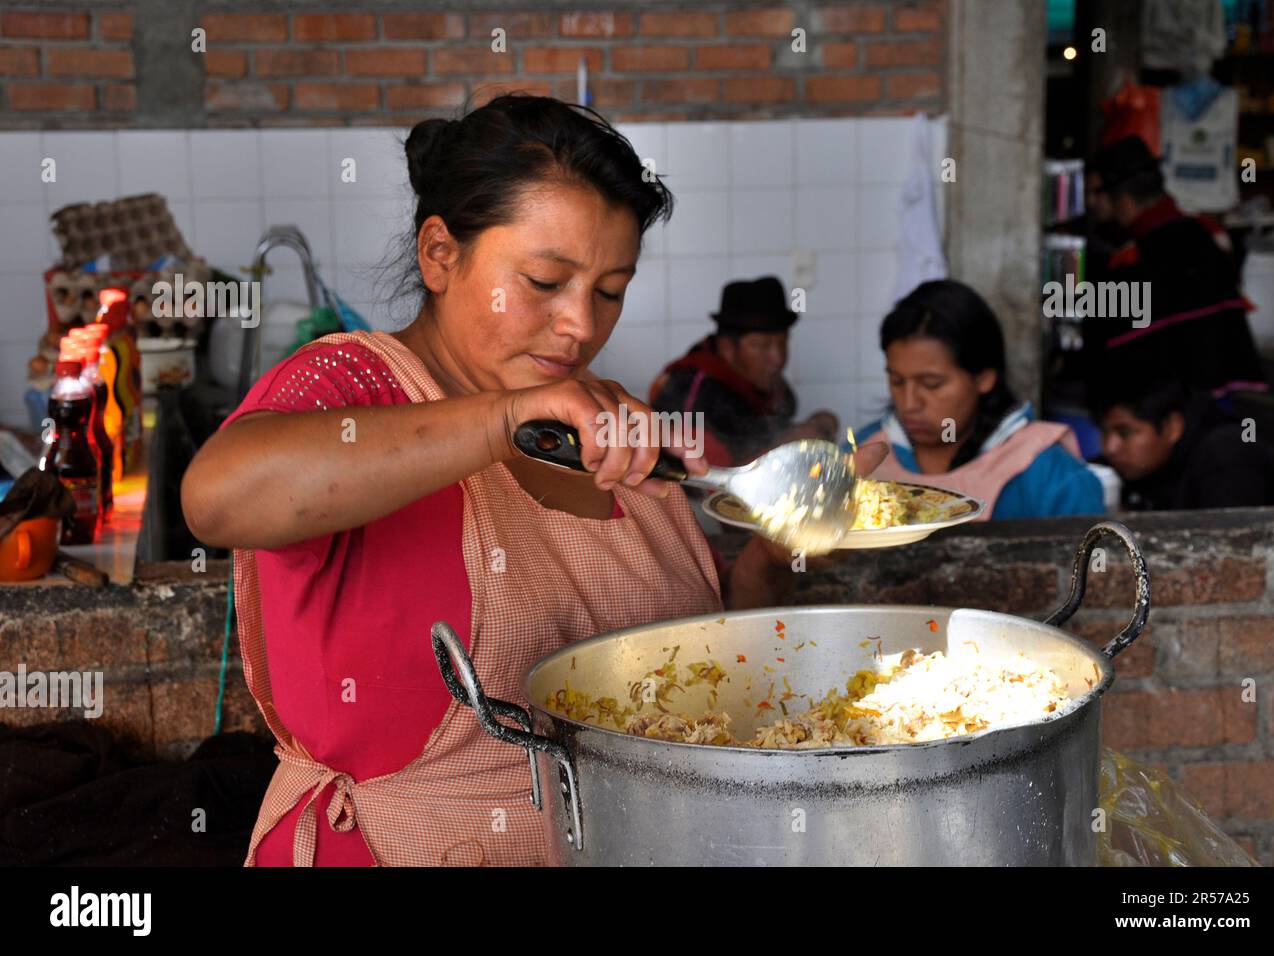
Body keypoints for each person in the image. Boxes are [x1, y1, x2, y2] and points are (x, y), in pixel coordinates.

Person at [181, 94, 889, 867]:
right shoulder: (356, 385)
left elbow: (710, 664)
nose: (582, 326)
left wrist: (782, 551)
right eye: (545, 281)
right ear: (439, 254)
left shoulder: (609, 424)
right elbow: (218, 497)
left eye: (610, 290)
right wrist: (499, 419)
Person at [847, 280, 1103, 520]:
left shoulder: (1051, 476)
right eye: (897, 381)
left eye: (931, 384)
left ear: (984, 379)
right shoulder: (859, 457)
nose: (909, 403)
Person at [1082, 135, 1266, 400]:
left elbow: (1115, 342)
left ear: (1122, 199)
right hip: (1219, 392)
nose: (1090, 203)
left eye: (1095, 193)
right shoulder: (1206, 233)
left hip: (1169, 408)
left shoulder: (1133, 256)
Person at [649, 276, 838, 466]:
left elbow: (769, 429)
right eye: (761, 345)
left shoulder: (763, 380)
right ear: (728, 348)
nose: (778, 357)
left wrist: (815, 426)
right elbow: (700, 479)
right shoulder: (692, 393)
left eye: (782, 342)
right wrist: (786, 444)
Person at [1091, 379, 1274, 511]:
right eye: (1104, 432)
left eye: (1125, 432)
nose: (1110, 447)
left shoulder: (1227, 456)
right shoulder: (1124, 465)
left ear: (1172, 426)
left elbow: (1231, 551)